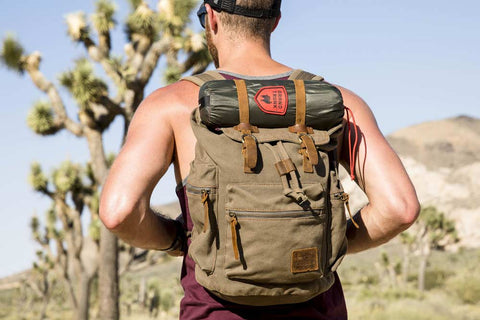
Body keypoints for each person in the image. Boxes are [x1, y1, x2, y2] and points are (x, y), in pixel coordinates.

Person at [99, 0, 420, 319]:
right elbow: (399, 209)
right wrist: (325, 243)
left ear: (210, 18)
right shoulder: (338, 102)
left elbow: (119, 212)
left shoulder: (172, 104)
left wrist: (179, 240)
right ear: (276, 20)